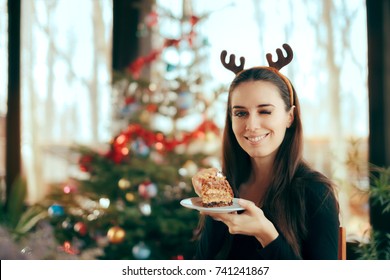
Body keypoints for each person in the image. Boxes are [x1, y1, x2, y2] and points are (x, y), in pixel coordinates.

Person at [191, 44, 340, 260]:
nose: (251, 125)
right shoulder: (226, 187)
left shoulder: (316, 193)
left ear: (290, 116)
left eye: (265, 111)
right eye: (241, 113)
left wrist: (266, 234)